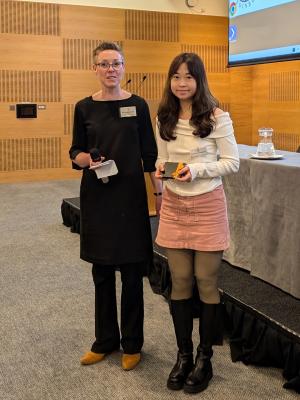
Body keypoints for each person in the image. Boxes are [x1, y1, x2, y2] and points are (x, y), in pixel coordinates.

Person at [69, 42, 161, 371]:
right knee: (102, 273)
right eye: (104, 64)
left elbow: (149, 154)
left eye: (116, 63)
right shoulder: (83, 107)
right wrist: (87, 160)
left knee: (132, 275)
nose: (110, 69)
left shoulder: (137, 105)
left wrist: (159, 194)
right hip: (98, 197)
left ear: (124, 68)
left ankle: (132, 344)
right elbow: (75, 152)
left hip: (131, 199)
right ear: (95, 69)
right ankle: (105, 340)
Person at [155, 52, 239, 393]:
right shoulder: (164, 115)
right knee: (180, 281)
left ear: (199, 80)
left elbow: (232, 162)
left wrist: (199, 170)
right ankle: (184, 355)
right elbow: (161, 157)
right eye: (176, 76)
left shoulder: (217, 116)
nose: (182, 83)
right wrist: (161, 174)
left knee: (206, 280)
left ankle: (206, 358)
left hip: (207, 203)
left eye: (188, 77)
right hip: (175, 203)